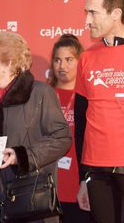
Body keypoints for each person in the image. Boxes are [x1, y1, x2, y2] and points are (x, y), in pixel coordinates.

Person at [0, 31, 72, 223]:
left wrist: (21, 156)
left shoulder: (41, 94)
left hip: (28, 204)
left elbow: (61, 139)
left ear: (9, 64)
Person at [74, 0, 124, 223]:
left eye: (93, 13)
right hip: (95, 167)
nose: (87, 20)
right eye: (86, 13)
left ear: (116, 14)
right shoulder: (87, 57)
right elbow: (80, 120)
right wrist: (83, 177)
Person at [49, 34, 91, 223]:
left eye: (69, 60)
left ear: (79, 62)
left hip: (79, 184)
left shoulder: (88, 98)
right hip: (48, 186)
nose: (62, 66)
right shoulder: (43, 96)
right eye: (57, 60)